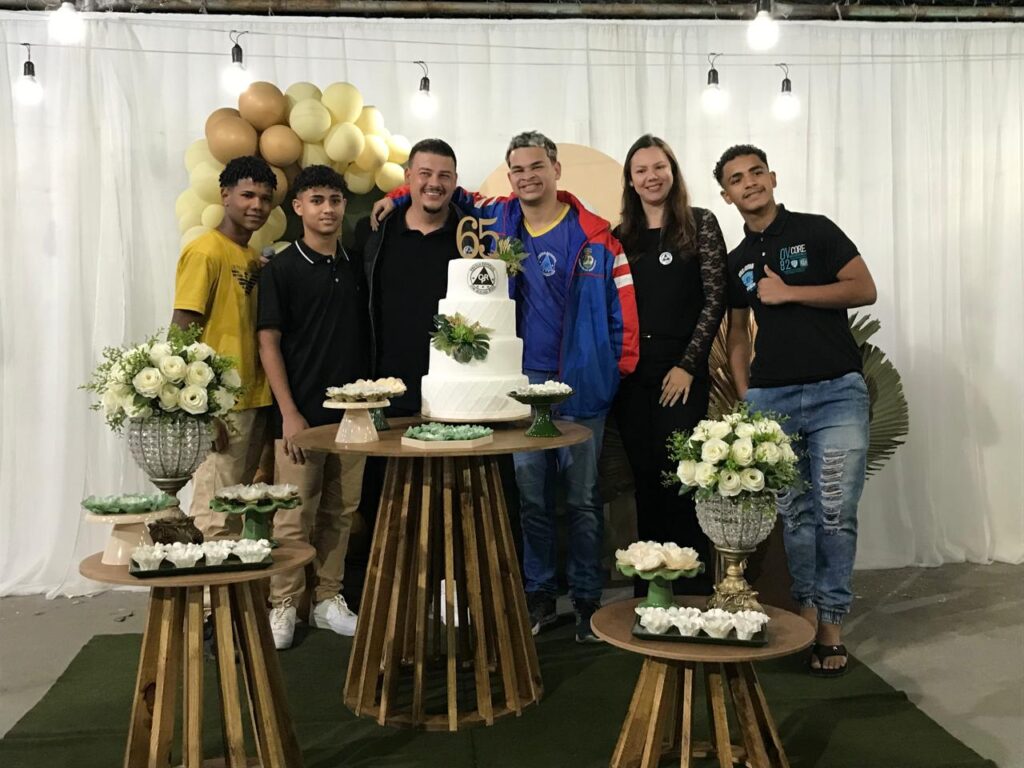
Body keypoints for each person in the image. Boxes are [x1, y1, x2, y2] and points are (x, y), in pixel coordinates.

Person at [375, 131, 639, 643]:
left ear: (556, 169)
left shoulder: (596, 236)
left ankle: (586, 601)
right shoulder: (498, 219)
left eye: (536, 166)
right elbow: (447, 190)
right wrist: (399, 195)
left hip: (581, 385)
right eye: (517, 169)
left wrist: (615, 369)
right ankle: (539, 595)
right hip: (520, 387)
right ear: (510, 175)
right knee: (532, 499)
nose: (527, 177)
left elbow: (621, 310)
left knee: (584, 500)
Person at [716, 144, 877, 676]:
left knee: (835, 513)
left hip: (836, 393)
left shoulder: (816, 229)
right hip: (773, 400)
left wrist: (790, 293)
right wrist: (747, 394)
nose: (749, 182)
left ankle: (831, 627)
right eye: (737, 179)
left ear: (772, 177)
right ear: (727, 195)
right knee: (797, 516)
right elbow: (737, 334)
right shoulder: (736, 260)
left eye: (756, 172)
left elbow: (864, 289)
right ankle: (807, 614)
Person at [257, 165, 369, 649]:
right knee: (293, 514)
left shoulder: (355, 264)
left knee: (341, 511)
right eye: (317, 200)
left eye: (335, 200)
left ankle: (327, 599)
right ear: (298, 207)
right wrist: (289, 412)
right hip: (299, 415)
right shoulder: (281, 270)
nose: (328, 209)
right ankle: (284, 603)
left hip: (354, 415)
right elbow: (268, 344)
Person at [612, 135, 727, 597]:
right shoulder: (620, 237)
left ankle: (693, 592)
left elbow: (715, 299)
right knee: (645, 483)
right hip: (632, 375)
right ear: (630, 181)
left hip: (681, 372)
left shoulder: (700, 224)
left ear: (673, 171)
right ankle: (650, 594)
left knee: (681, 480)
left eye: (659, 167)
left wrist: (687, 366)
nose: (651, 177)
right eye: (640, 170)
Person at [172, 155, 275, 537]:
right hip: (221, 406)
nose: (257, 205)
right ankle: (206, 580)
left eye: (265, 198)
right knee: (213, 518)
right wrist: (200, 412)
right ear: (224, 195)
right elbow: (181, 331)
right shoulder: (205, 251)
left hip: (254, 399)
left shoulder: (250, 256)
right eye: (247, 195)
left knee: (234, 513)